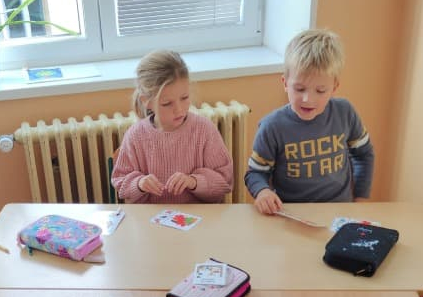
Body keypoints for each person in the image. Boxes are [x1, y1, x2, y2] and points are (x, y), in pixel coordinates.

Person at [245, 28, 374, 215]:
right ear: (285, 83)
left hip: (339, 210)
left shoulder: (345, 112)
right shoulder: (272, 126)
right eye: (299, 89)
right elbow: (255, 173)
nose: (308, 99)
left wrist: (361, 198)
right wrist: (262, 191)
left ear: (334, 87)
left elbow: (364, 154)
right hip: (290, 214)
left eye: (320, 91)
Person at [110, 50, 233, 204]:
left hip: (199, 215)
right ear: (146, 101)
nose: (179, 110)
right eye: (167, 103)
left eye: (185, 98)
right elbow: (120, 182)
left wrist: (194, 182)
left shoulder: (204, 130)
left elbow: (225, 182)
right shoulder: (136, 135)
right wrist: (139, 184)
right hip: (151, 216)